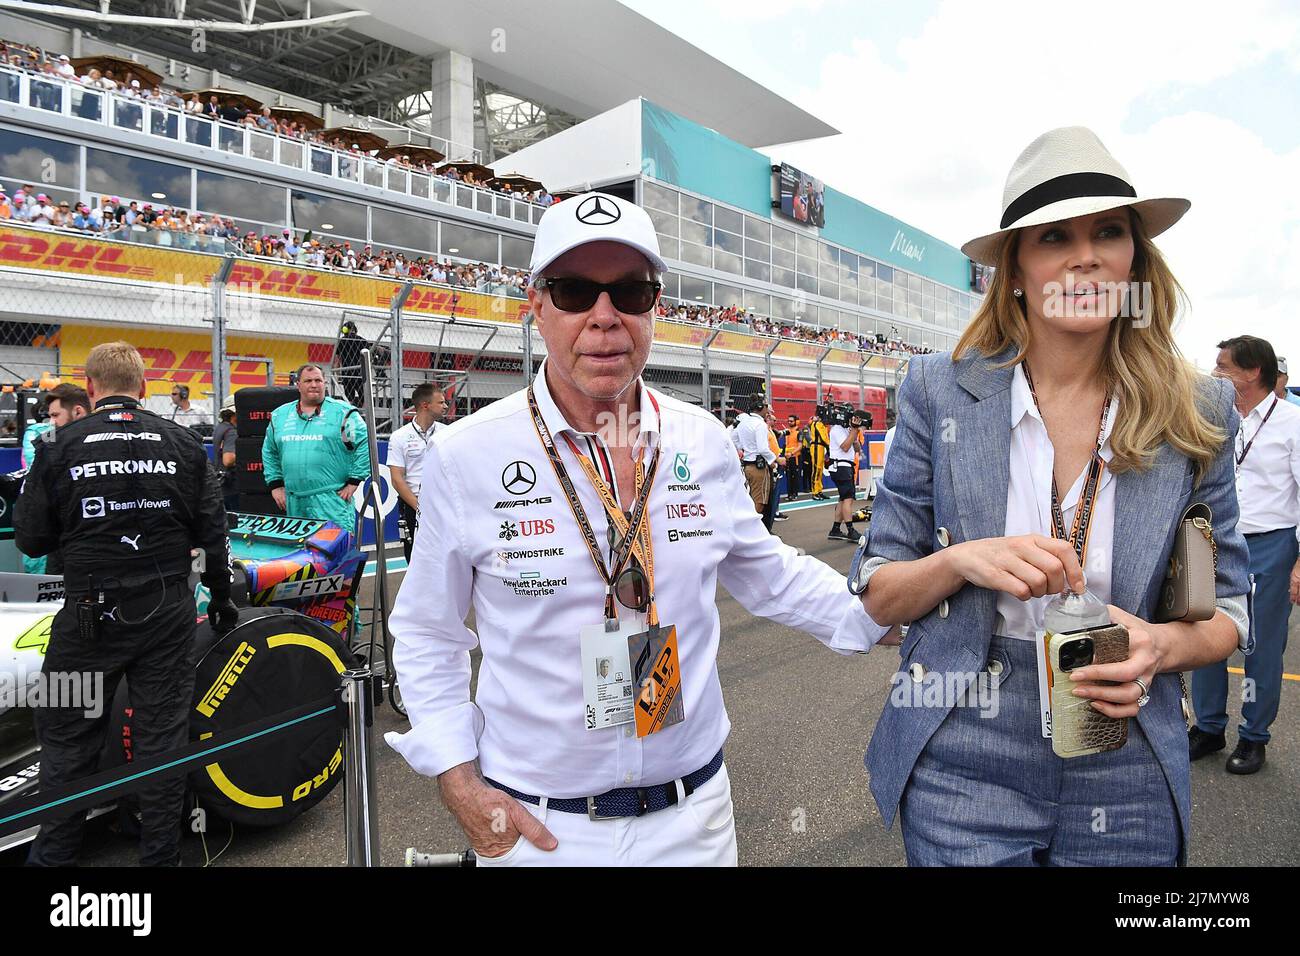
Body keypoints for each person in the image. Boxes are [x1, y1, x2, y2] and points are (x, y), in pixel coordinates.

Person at [386, 191, 893, 867]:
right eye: (574, 291)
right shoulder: (468, 453)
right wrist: (457, 780)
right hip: (540, 832)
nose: (605, 317)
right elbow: (427, 632)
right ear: (536, 305)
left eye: (629, 291)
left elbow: (770, 574)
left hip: (693, 822)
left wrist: (890, 613)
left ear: (654, 306)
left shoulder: (701, 439)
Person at [857, 127, 1250, 866]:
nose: (1085, 256)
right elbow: (878, 593)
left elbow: (1229, 607)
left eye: (1108, 231)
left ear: (1136, 255)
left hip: (1125, 747)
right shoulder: (936, 391)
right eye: (1053, 237)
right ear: (1014, 269)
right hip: (964, 751)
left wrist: (1163, 646)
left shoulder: (1198, 410)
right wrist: (963, 561)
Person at [14, 341, 237, 866]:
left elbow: (30, 541)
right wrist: (223, 600)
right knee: (161, 740)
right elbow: (213, 535)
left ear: (90, 390)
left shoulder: (59, 445)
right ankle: (160, 860)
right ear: (143, 388)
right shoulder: (184, 443)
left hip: (88, 620)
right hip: (167, 615)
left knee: (68, 744)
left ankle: (52, 861)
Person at [1191, 335, 1300, 774]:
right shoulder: (1215, 417)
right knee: (1204, 636)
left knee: (1261, 645)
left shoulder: (1290, 423)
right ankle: (1209, 727)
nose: (1215, 373)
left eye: (1223, 367)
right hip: (1214, 541)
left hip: (1270, 544)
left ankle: (1254, 736)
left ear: (1252, 372)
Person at [261, 363, 369, 534]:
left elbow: (365, 444)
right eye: (308, 380)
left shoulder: (343, 413)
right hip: (294, 500)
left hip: (331, 500)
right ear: (298, 385)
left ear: (325, 383)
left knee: (334, 554)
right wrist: (275, 484)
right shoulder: (280, 415)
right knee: (299, 556)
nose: (314, 385)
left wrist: (355, 480)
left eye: (318, 380)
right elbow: (269, 452)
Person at [20, 383, 91, 574]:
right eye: (49, 416)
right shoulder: (44, 435)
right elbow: (35, 461)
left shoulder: (100, 443)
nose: (50, 423)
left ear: (78, 412)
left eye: (55, 415)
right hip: (53, 551)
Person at [386, 383, 447, 563]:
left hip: (443, 503)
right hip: (414, 505)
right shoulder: (400, 436)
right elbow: (397, 479)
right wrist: (420, 507)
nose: (445, 406)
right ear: (425, 405)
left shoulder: (447, 432)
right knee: (414, 558)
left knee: (446, 556)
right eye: (441, 402)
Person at [734, 395, 775, 519]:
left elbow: (733, 438)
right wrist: (774, 460)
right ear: (760, 407)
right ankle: (752, 530)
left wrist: (742, 449)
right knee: (759, 502)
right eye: (766, 406)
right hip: (758, 468)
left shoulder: (743, 423)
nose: (767, 409)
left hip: (746, 466)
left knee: (748, 500)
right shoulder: (760, 424)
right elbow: (763, 449)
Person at [826, 409, 863, 541]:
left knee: (843, 499)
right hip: (840, 466)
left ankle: (835, 529)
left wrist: (854, 431)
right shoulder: (836, 429)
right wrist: (853, 431)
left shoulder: (847, 429)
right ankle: (851, 531)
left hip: (845, 466)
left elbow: (857, 449)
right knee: (848, 499)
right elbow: (845, 447)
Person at [211, 398, 239, 514]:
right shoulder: (232, 431)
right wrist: (248, 454)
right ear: (234, 414)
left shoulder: (220, 428)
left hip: (221, 485)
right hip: (231, 486)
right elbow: (228, 459)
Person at [335, 321, 368, 408]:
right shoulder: (363, 341)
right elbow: (368, 359)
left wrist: (338, 375)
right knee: (364, 396)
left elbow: (338, 359)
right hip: (360, 373)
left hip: (347, 372)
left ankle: (349, 413)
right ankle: (365, 416)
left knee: (349, 397)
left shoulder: (342, 341)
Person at [808, 407, 830, 499]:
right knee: (816, 469)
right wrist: (829, 447)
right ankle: (814, 492)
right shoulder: (816, 424)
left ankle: (819, 490)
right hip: (816, 446)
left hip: (821, 447)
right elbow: (823, 437)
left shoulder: (821, 424)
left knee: (820, 470)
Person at [781, 414, 803, 501]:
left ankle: (794, 494)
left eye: (791, 421)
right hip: (787, 457)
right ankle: (789, 494)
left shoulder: (799, 432)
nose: (789, 422)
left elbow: (800, 446)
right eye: (788, 421)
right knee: (788, 477)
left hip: (795, 457)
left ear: (796, 422)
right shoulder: (787, 432)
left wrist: (792, 453)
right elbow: (786, 444)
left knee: (795, 476)